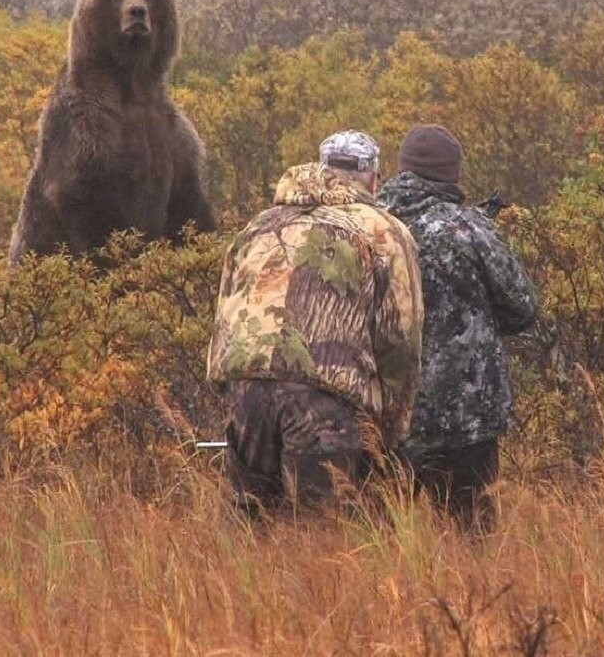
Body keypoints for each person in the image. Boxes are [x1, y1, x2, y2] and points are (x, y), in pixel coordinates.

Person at [207, 130, 424, 518]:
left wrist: (231, 393)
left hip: (246, 390)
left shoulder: (257, 226)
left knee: (250, 527)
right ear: (375, 177)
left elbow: (223, 316)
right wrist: (388, 435)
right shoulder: (384, 230)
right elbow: (399, 342)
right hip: (322, 396)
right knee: (322, 535)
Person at [378, 124, 539, 533]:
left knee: (381, 540)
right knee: (473, 539)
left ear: (403, 166)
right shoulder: (467, 228)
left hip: (386, 413)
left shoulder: (369, 224)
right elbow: (523, 308)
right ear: (452, 172)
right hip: (466, 416)